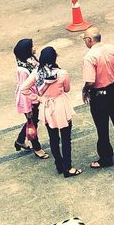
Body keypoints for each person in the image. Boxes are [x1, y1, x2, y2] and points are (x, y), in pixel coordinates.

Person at [81, 26, 114, 169]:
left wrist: (85, 91)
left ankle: (106, 157)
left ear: (89, 40)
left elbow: (90, 82)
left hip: (100, 96)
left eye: (85, 39)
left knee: (102, 127)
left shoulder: (90, 57)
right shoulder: (111, 48)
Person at [28, 47, 80, 178]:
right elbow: (67, 89)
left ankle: (59, 165)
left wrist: (38, 98)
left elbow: (24, 88)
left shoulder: (37, 73)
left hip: (47, 108)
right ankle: (68, 167)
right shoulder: (62, 73)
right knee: (66, 138)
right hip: (61, 106)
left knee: (53, 138)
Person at [12, 39, 48, 159]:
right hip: (30, 100)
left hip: (36, 97)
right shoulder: (22, 70)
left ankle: (20, 141)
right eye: (32, 46)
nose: (34, 47)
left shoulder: (30, 60)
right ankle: (37, 148)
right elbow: (24, 90)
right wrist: (28, 109)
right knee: (32, 123)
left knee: (33, 122)